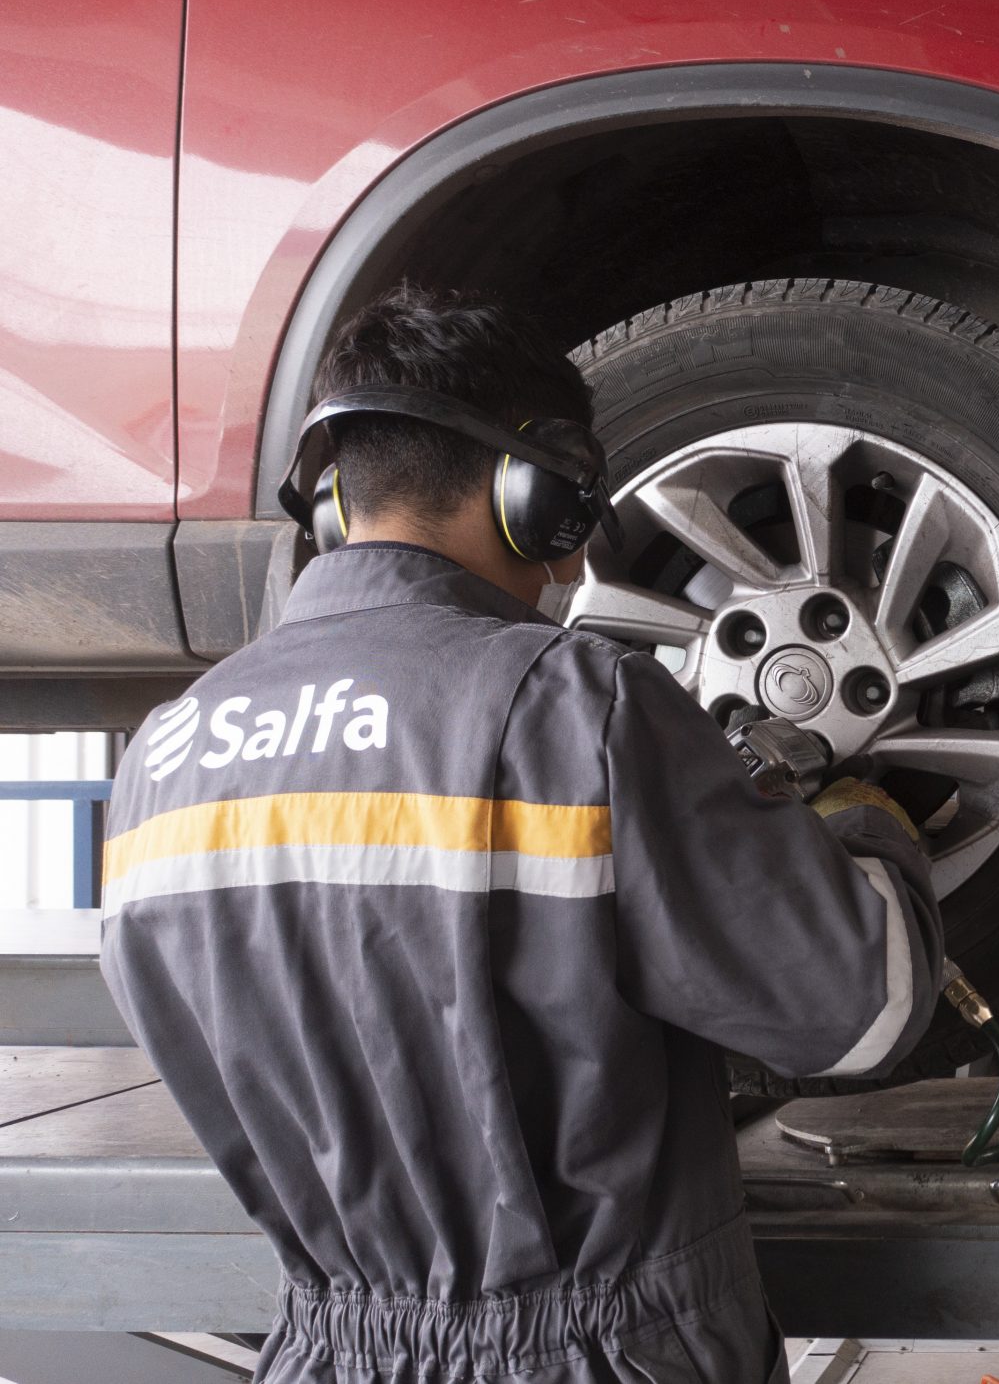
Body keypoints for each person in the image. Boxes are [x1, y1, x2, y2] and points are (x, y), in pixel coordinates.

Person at [98, 285, 944, 1384]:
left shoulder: (164, 758)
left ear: (328, 504)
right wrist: (861, 820)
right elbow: (861, 1013)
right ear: (533, 488)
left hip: (334, 1352)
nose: (567, 559)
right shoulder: (573, 707)